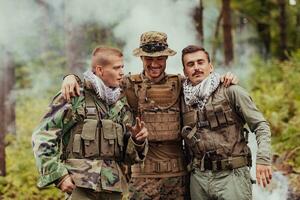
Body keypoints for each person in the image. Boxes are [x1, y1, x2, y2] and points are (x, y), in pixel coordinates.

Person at [61, 31, 238, 200]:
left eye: (160, 58)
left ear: (167, 58)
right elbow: (98, 82)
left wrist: (224, 79)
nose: (154, 64)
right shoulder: (128, 84)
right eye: (149, 59)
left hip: (178, 177)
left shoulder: (180, 84)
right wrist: (71, 78)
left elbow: (204, 82)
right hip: (141, 178)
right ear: (141, 58)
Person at [32, 46, 148, 200]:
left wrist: (138, 141)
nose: (121, 72)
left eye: (122, 67)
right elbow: (42, 136)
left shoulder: (121, 103)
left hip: (112, 188)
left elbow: (129, 158)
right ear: (100, 70)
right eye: (116, 68)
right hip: (80, 187)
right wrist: (59, 176)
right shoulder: (74, 95)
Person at [180, 45, 272, 200]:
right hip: (199, 179)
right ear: (184, 72)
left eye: (200, 62)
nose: (196, 68)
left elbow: (261, 125)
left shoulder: (230, 91)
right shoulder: (182, 98)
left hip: (231, 177)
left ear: (210, 66)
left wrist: (263, 159)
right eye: (190, 64)